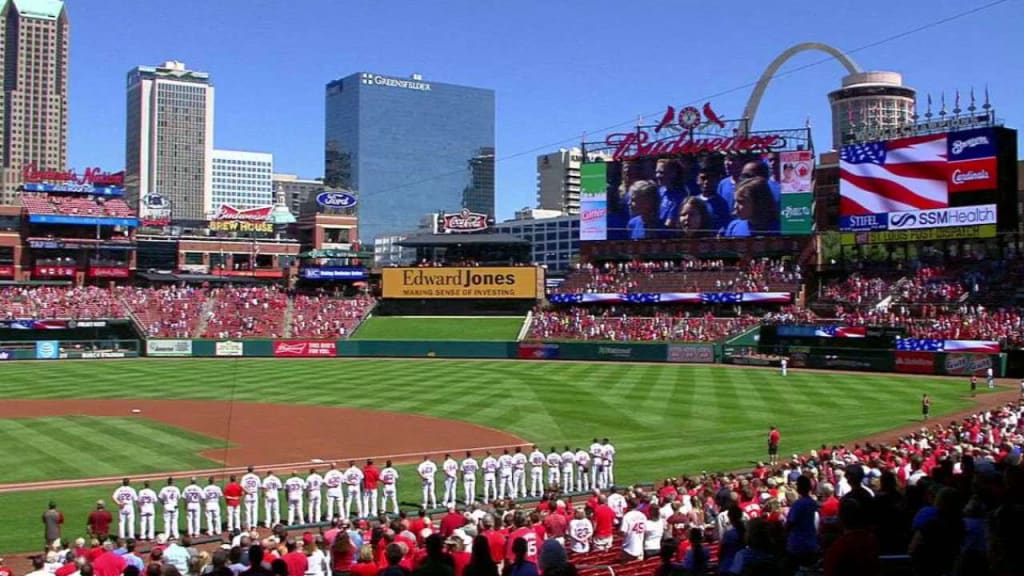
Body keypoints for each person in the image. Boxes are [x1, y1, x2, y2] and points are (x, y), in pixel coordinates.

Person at [695, 165, 731, 232]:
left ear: (717, 181)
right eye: (703, 178)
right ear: (697, 180)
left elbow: (725, 225)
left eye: (710, 179)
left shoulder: (722, 204)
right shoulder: (693, 202)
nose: (706, 182)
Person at [240, 467, 261, 531]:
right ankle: (254, 526)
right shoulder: (256, 477)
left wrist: (247, 491)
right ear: (253, 470)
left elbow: (241, 486)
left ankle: (248, 526)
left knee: (247, 511)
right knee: (254, 511)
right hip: (254, 494)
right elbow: (259, 486)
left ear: (247, 470)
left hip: (247, 495)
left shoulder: (244, 477)